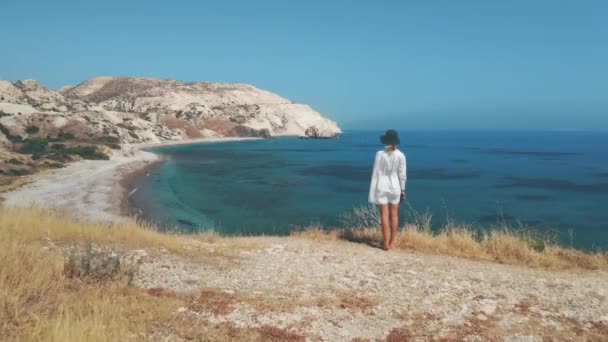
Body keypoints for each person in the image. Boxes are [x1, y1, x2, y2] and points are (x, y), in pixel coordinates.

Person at [368, 130, 407, 250]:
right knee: (394, 215)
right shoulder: (401, 155)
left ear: (386, 141)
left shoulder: (380, 154)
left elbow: (376, 172)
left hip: (381, 185)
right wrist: (403, 190)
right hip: (395, 186)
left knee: (384, 215)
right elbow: (402, 175)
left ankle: (385, 243)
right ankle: (392, 242)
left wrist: (373, 189)